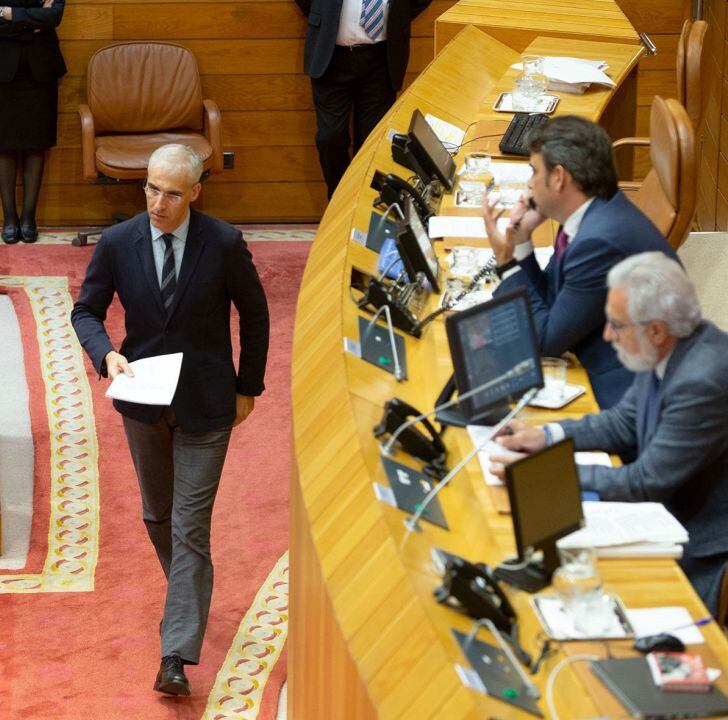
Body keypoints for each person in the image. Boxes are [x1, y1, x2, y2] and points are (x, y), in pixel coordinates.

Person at [71, 144, 269, 696]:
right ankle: (192, 587)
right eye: (151, 189)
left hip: (207, 404)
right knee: (158, 516)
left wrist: (247, 387)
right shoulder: (117, 242)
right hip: (142, 402)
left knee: (189, 526)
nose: (158, 203)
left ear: (196, 192)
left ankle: (175, 654)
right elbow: (85, 309)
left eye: (172, 193)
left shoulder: (224, 243)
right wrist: (105, 354)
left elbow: (254, 314)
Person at [490, 252, 728, 613]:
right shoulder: (669, 346)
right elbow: (622, 422)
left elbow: (645, 482)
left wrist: (540, 474)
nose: (606, 334)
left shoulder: (702, 380)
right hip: (667, 512)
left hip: (702, 542)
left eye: (616, 325)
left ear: (656, 329)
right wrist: (546, 436)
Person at [483, 115, 677, 409]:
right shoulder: (590, 214)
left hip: (632, 395)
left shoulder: (598, 241)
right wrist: (521, 239)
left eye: (534, 172)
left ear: (559, 177)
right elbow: (552, 299)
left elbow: (544, 342)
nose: (529, 185)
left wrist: (507, 263)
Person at [295, 0, 432, 197]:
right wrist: (323, 14)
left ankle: (362, 208)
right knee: (330, 137)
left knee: (371, 141)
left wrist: (396, 17)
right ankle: (339, 204)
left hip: (381, 58)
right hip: (332, 56)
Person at [0, 0, 66, 244]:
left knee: (36, 143)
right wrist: (31, 24)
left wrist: (10, 13)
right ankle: (10, 218)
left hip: (40, 67)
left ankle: (28, 218)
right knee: (3, 143)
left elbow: (54, 16)